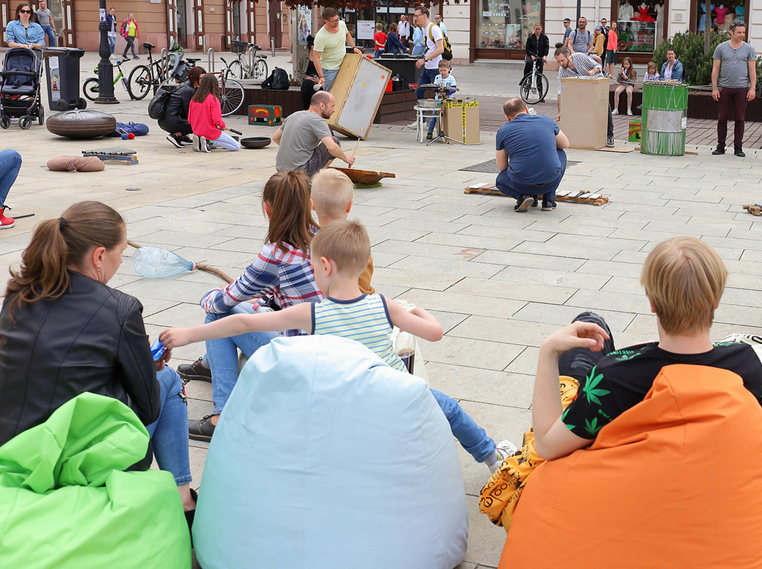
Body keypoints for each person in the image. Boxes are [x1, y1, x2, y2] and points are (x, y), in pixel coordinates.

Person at [162, 219, 516, 472]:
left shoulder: (312, 314)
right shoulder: (384, 304)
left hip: (342, 402)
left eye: (314, 266)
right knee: (449, 408)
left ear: (326, 266)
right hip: (396, 396)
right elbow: (435, 332)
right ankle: (490, 456)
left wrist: (188, 334)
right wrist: (417, 308)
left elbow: (243, 322)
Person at [0, 201, 197, 517]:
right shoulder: (121, 308)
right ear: (99, 256)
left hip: (15, 444)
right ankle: (183, 501)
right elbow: (147, 408)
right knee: (169, 379)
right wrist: (147, 366)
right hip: (77, 458)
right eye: (120, 253)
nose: (121, 261)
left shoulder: (19, 294)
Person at [529, 237, 762, 466]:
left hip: (630, 495)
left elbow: (547, 446)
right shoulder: (744, 360)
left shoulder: (612, 377)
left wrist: (549, 350)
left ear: (652, 302)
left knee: (589, 328)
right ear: (717, 300)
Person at [177, 171, 323, 440]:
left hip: (300, 358)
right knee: (240, 309)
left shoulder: (277, 253)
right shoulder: (323, 236)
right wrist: (261, 297)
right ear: (309, 204)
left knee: (216, 316)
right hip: (328, 346)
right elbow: (289, 286)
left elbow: (226, 299)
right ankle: (211, 363)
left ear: (267, 208)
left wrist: (207, 297)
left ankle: (221, 415)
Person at [495, 98, 568, 213]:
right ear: (526, 109)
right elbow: (565, 144)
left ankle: (523, 196)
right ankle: (548, 199)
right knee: (560, 153)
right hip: (550, 181)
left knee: (500, 181)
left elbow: (502, 166)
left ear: (507, 117)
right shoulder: (546, 120)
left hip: (521, 183)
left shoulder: (503, 131)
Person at [310, 169, 375, 294]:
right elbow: (364, 288)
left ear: (312, 204)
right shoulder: (356, 243)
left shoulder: (305, 239)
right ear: (349, 205)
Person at [273, 91, 354, 176]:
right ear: (322, 105)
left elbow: (275, 137)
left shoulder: (293, 115)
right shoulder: (317, 120)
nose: (334, 110)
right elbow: (332, 147)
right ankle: (316, 178)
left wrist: (293, 150)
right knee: (334, 141)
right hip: (301, 171)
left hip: (281, 170)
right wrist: (345, 158)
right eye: (332, 106)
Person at [554, 45, 615, 148]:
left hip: (596, 83)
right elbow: (561, 91)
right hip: (582, 89)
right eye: (558, 62)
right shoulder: (562, 71)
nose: (561, 64)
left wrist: (593, 71)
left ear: (568, 55)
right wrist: (560, 111)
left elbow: (598, 66)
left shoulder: (580, 57)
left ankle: (609, 135)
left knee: (605, 106)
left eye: (562, 60)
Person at [711, 21, 757, 158]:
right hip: (724, 87)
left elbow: (752, 69)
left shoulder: (749, 49)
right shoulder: (721, 48)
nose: (742, 35)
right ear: (731, 32)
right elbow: (715, 68)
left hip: (741, 88)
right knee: (722, 117)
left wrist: (752, 88)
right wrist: (714, 88)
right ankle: (720, 145)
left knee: (739, 118)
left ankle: (738, 147)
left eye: (744, 32)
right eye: (739, 32)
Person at [311, 7, 363, 90]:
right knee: (330, 93)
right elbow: (316, 57)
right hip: (329, 69)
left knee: (345, 89)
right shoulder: (321, 37)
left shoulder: (341, 24)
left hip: (343, 63)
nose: (336, 22)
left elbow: (347, 35)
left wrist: (354, 47)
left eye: (337, 19)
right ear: (326, 21)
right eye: (334, 21)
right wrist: (321, 76)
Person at [188, 74, 240, 152]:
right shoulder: (213, 99)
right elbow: (217, 120)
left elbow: (189, 119)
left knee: (215, 145)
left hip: (197, 131)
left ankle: (203, 141)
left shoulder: (194, 99)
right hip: (211, 132)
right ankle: (209, 141)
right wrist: (223, 126)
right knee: (236, 146)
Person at [162, 66, 205, 147]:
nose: (203, 81)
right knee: (200, 123)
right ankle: (176, 135)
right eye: (200, 78)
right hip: (170, 121)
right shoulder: (189, 90)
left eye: (204, 78)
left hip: (166, 119)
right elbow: (188, 111)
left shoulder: (185, 85)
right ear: (193, 77)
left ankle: (182, 136)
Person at [412, 5, 446, 100]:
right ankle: (424, 114)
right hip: (427, 67)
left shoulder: (434, 29)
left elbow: (440, 49)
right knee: (419, 92)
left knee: (440, 94)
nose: (415, 19)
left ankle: (440, 114)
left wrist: (424, 60)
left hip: (435, 68)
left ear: (424, 16)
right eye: (414, 16)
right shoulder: (425, 29)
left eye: (417, 16)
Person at [425, 60, 457, 140]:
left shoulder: (451, 78)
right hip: (438, 100)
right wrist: (437, 89)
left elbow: (454, 88)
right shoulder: (437, 77)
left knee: (447, 116)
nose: (442, 72)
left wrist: (447, 92)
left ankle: (447, 131)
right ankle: (430, 131)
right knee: (434, 116)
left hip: (448, 101)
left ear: (449, 69)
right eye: (441, 70)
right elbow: (434, 87)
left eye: (444, 70)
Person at [523, 23, 549, 102]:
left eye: (539, 29)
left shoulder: (544, 38)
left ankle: (541, 96)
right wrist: (531, 55)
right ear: (534, 29)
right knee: (528, 63)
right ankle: (525, 80)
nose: (537, 30)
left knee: (539, 76)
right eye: (536, 29)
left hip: (539, 57)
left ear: (541, 29)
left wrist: (544, 55)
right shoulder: (531, 38)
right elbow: (528, 49)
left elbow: (546, 48)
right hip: (531, 56)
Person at [300, 36, 322, 110]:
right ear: (312, 47)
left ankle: (315, 109)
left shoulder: (322, 58)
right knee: (306, 84)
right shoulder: (303, 57)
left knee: (318, 88)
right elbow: (298, 73)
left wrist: (320, 79)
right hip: (308, 81)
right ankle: (307, 109)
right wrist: (307, 77)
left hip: (319, 82)